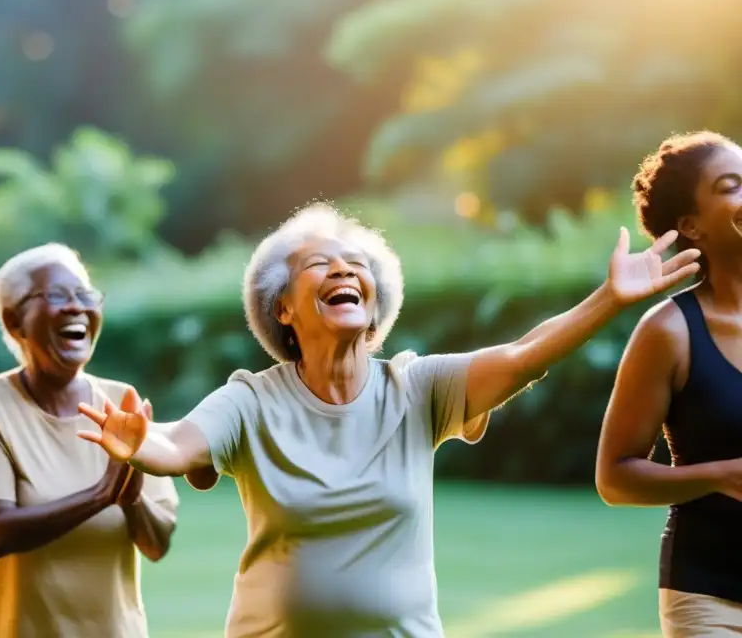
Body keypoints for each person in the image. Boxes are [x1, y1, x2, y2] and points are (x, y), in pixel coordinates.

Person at [77, 201, 700, 638]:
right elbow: (180, 444)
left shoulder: (416, 388)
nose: (345, 269)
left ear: (375, 300)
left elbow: (520, 358)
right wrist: (140, 444)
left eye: (356, 263)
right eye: (319, 264)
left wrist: (609, 298)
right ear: (284, 309)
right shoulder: (251, 400)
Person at [0, 243, 180, 638]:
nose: (76, 307)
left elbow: (156, 544)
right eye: (56, 296)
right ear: (14, 320)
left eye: (85, 295)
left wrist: (131, 497)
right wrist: (102, 494)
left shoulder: (123, 404)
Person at [596, 131, 742, 636]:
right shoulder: (668, 331)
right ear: (690, 225)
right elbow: (614, 478)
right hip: (712, 598)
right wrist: (724, 475)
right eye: (731, 186)